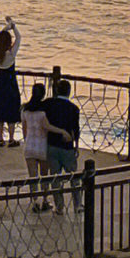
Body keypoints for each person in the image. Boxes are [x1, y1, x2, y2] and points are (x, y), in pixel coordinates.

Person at [42, 78, 80, 214]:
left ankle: (59, 207)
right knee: (74, 177)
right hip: (67, 147)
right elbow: (76, 130)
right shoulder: (74, 109)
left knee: (55, 178)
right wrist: (76, 146)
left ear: (56, 91)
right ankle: (78, 205)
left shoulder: (48, 104)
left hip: (51, 145)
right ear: (69, 92)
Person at [0, 15, 22, 147]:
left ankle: (0, 138)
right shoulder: (11, 54)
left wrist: (7, 27)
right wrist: (13, 26)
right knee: (11, 111)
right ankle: (11, 138)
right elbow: (19, 37)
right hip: (10, 84)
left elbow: (0, 36)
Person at [21, 82, 51, 210]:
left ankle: (35, 202)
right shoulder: (45, 110)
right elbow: (47, 128)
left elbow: (24, 129)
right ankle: (45, 200)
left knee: (33, 176)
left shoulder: (24, 109)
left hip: (30, 145)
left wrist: (26, 139)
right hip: (42, 145)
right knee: (44, 176)